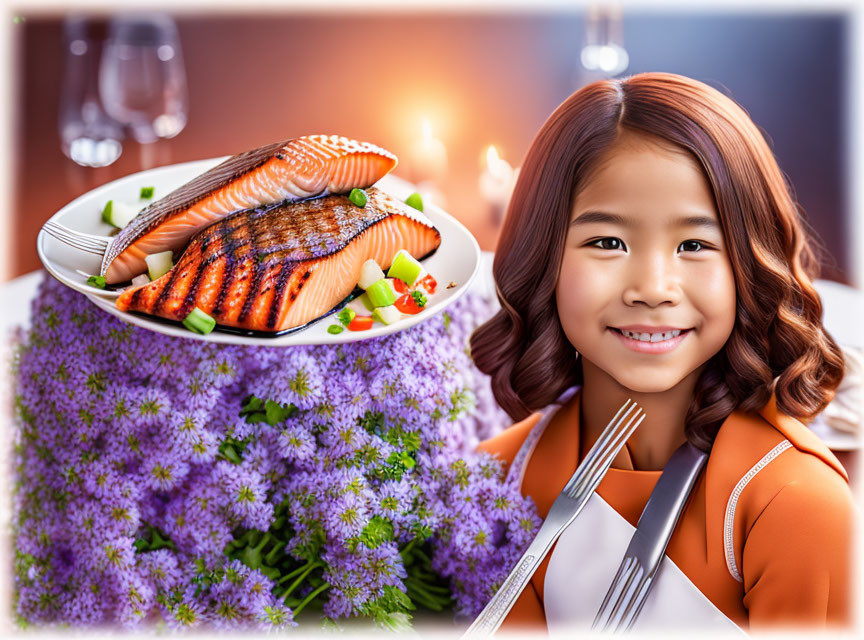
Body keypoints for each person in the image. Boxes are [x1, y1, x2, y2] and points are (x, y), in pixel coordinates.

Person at [469, 72, 855, 633]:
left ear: (750, 265)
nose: (652, 287)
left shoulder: (792, 502)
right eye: (607, 242)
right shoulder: (493, 481)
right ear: (543, 257)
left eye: (695, 244)